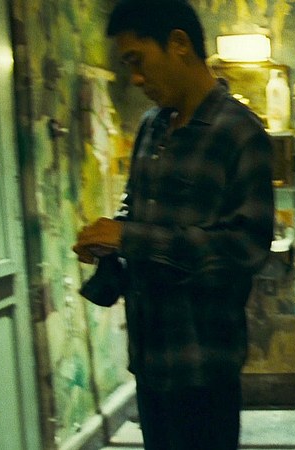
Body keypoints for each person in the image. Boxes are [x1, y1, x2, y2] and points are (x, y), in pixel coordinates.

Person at [72, 1, 274, 448]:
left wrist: (132, 238)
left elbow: (246, 247)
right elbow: (135, 208)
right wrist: (110, 242)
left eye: (137, 60)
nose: (135, 78)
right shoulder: (151, 126)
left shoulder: (240, 132)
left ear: (179, 44)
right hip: (149, 357)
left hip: (203, 362)